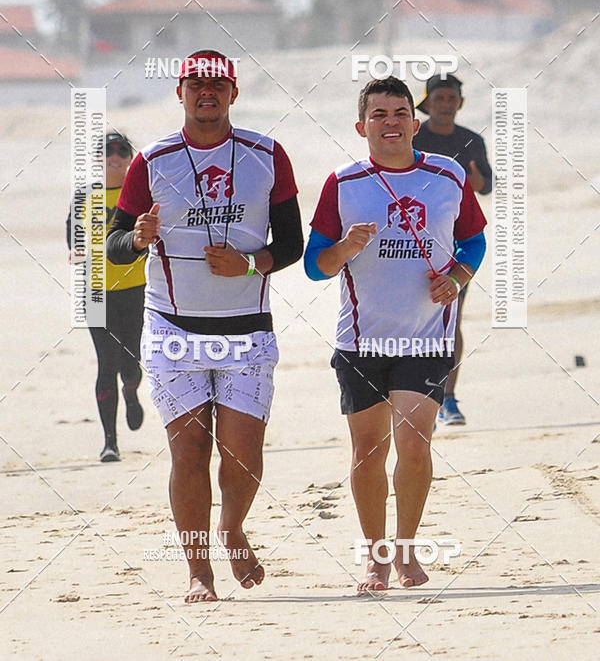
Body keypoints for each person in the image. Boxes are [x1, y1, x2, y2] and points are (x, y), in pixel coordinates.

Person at [106, 49, 303, 603]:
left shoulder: (267, 155)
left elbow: (293, 243)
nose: (207, 91)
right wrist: (137, 238)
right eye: (196, 83)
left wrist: (250, 264)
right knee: (189, 451)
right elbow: (117, 244)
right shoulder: (153, 160)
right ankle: (199, 571)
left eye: (217, 84)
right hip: (173, 329)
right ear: (181, 93)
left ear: (234, 93)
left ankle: (232, 527)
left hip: (246, 328)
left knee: (242, 454)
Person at [304, 76, 486, 592]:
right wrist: (346, 247)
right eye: (379, 114)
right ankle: (375, 554)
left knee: (414, 444)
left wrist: (456, 279)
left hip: (426, 339)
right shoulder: (343, 183)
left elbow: (474, 242)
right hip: (361, 340)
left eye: (400, 112)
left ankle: (405, 549)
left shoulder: (447, 174)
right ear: (361, 126)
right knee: (368, 452)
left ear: (415, 122)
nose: (391, 122)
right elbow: (316, 266)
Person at [413, 73, 492, 425]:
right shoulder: (414, 136)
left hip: (457, 242)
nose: (445, 104)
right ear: (427, 103)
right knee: (411, 318)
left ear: (461, 103)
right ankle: (414, 398)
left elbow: (486, 185)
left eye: (451, 98)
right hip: (411, 238)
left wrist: (475, 182)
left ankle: (447, 398)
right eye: (439, 98)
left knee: (451, 318)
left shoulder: (471, 140)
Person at [66, 131, 146, 463]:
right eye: (107, 150)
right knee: (106, 364)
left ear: (130, 157)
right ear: (98, 158)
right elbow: (73, 234)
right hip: (96, 292)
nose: (114, 156)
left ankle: (131, 390)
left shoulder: (139, 194)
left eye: (121, 150)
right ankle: (110, 442)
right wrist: (78, 251)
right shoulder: (85, 196)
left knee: (130, 363)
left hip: (135, 290)